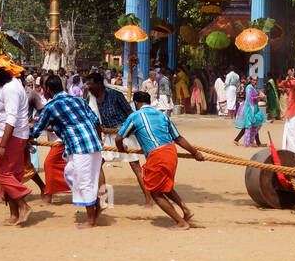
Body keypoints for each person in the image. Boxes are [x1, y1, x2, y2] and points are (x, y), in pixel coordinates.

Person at [116, 91, 205, 228]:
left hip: (157, 155)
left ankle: (181, 223)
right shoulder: (163, 115)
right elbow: (178, 138)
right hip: (171, 152)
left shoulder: (135, 116)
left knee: (155, 192)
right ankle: (186, 210)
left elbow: (118, 138)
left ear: (136, 103)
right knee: (165, 185)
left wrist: (121, 148)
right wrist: (195, 153)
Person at [30, 74, 105, 228]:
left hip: (81, 147)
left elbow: (37, 129)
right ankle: (98, 203)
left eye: (44, 88)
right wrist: (98, 140)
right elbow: (95, 120)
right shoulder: (78, 99)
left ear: (49, 90)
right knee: (72, 172)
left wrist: (25, 138)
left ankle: (91, 220)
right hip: (92, 145)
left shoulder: (51, 107)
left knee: (84, 182)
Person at [85, 70, 151, 205]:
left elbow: (130, 113)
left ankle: (149, 199)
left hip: (124, 134)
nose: (88, 88)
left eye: (90, 85)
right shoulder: (92, 98)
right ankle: (105, 200)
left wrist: (137, 131)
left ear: (99, 84)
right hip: (108, 136)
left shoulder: (115, 95)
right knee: (97, 165)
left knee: (136, 167)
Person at [0, 56, 33, 226]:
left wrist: (3, 145)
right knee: (11, 175)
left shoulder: (11, 88)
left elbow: (11, 118)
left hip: (13, 135)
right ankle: (14, 215)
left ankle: (23, 205)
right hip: (7, 133)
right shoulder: (3, 86)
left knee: (0, 174)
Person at [234, 80, 265, 147]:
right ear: (250, 80)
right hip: (250, 108)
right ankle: (240, 140)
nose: (255, 81)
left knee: (255, 124)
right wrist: (259, 97)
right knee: (249, 125)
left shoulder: (254, 87)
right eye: (253, 80)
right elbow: (249, 98)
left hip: (254, 108)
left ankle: (257, 142)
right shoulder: (249, 87)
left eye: (256, 80)